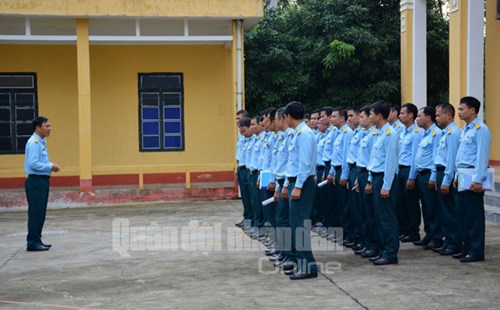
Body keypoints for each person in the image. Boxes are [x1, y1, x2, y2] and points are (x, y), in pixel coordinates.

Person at [281, 101, 318, 280]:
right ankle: (302, 263)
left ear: (289, 116)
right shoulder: (298, 134)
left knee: (300, 226)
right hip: (296, 181)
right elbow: (293, 163)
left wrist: (297, 186)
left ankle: (308, 266)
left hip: (302, 183)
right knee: (295, 225)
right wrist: (288, 184)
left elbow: (304, 163)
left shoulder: (304, 134)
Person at [454, 96, 490, 262]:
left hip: (472, 175)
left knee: (474, 215)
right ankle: (466, 247)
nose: (459, 112)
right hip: (462, 174)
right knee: (463, 214)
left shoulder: (480, 129)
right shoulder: (466, 129)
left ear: (473, 110)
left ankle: (475, 250)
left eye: (462, 109)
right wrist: (455, 176)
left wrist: (478, 180)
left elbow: (481, 156)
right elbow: (460, 156)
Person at [365, 101, 400, 265]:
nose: (369, 116)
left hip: (386, 179)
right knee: (379, 217)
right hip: (377, 177)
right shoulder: (378, 133)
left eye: (371, 113)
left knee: (387, 218)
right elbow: (374, 160)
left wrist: (386, 186)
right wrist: (371, 180)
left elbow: (390, 163)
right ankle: (382, 249)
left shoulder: (390, 134)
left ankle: (390, 253)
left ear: (379, 115)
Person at [25, 116, 60, 251]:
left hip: (41, 181)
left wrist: (50, 165)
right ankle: (32, 242)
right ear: (38, 127)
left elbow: (40, 162)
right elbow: (33, 164)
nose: (49, 129)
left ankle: (36, 239)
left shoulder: (40, 142)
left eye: (50, 126)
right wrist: (50, 167)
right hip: (36, 181)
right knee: (36, 212)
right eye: (47, 126)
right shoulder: (34, 143)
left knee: (40, 212)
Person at [434, 103, 461, 256]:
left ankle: (454, 242)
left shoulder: (453, 133)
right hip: (440, 173)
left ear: (449, 115)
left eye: (438, 115)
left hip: (446, 174)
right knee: (443, 211)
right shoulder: (445, 133)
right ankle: (448, 240)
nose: (436, 118)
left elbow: (451, 160)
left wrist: (446, 180)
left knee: (449, 211)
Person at [414, 107, 443, 251]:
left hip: (429, 175)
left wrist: (433, 177)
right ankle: (429, 234)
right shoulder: (425, 134)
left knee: (432, 207)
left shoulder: (436, 134)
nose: (417, 119)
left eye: (419, 116)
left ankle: (437, 237)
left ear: (428, 118)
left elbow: (435, 157)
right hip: (421, 174)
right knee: (425, 207)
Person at [395, 103, 423, 243]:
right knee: (401, 202)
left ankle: (413, 231)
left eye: (402, 113)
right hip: (401, 169)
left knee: (411, 203)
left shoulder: (416, 133)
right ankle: (405, 229)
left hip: (409, 170)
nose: (400, 116)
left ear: (410, 115)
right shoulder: (403, 132)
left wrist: (412, 177)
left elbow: (414, 158)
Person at [355, 105, 379, 258]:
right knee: (363, 212)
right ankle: (367, 242)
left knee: (371, 214)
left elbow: (373, 160)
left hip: (369, 175)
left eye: (362, 117)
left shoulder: (374, 135)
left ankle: (373, 244)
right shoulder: (365, 134)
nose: (360, 119)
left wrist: (369, 180)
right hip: (361, 174)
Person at [327, 107, 354, 246]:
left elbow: (345, 157)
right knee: (340, 204)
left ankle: (349, 235)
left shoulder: (347, 133)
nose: (331, 119)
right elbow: (335, 155)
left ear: (341, 119)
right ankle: (345, 233)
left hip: (343, 171)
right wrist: (332, 171)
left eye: (334, 117)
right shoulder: (338, 133)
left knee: (346, 206)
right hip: (336, 170)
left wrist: (344, 175)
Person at [235, 118, 253, 230]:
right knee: (245, 197)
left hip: (249, 170)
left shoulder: (256, 140)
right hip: (242, 169)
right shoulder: (242, 139)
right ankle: (247, 218)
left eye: (244, 130)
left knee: (253, 198)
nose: (243, 133)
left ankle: (253, 220)